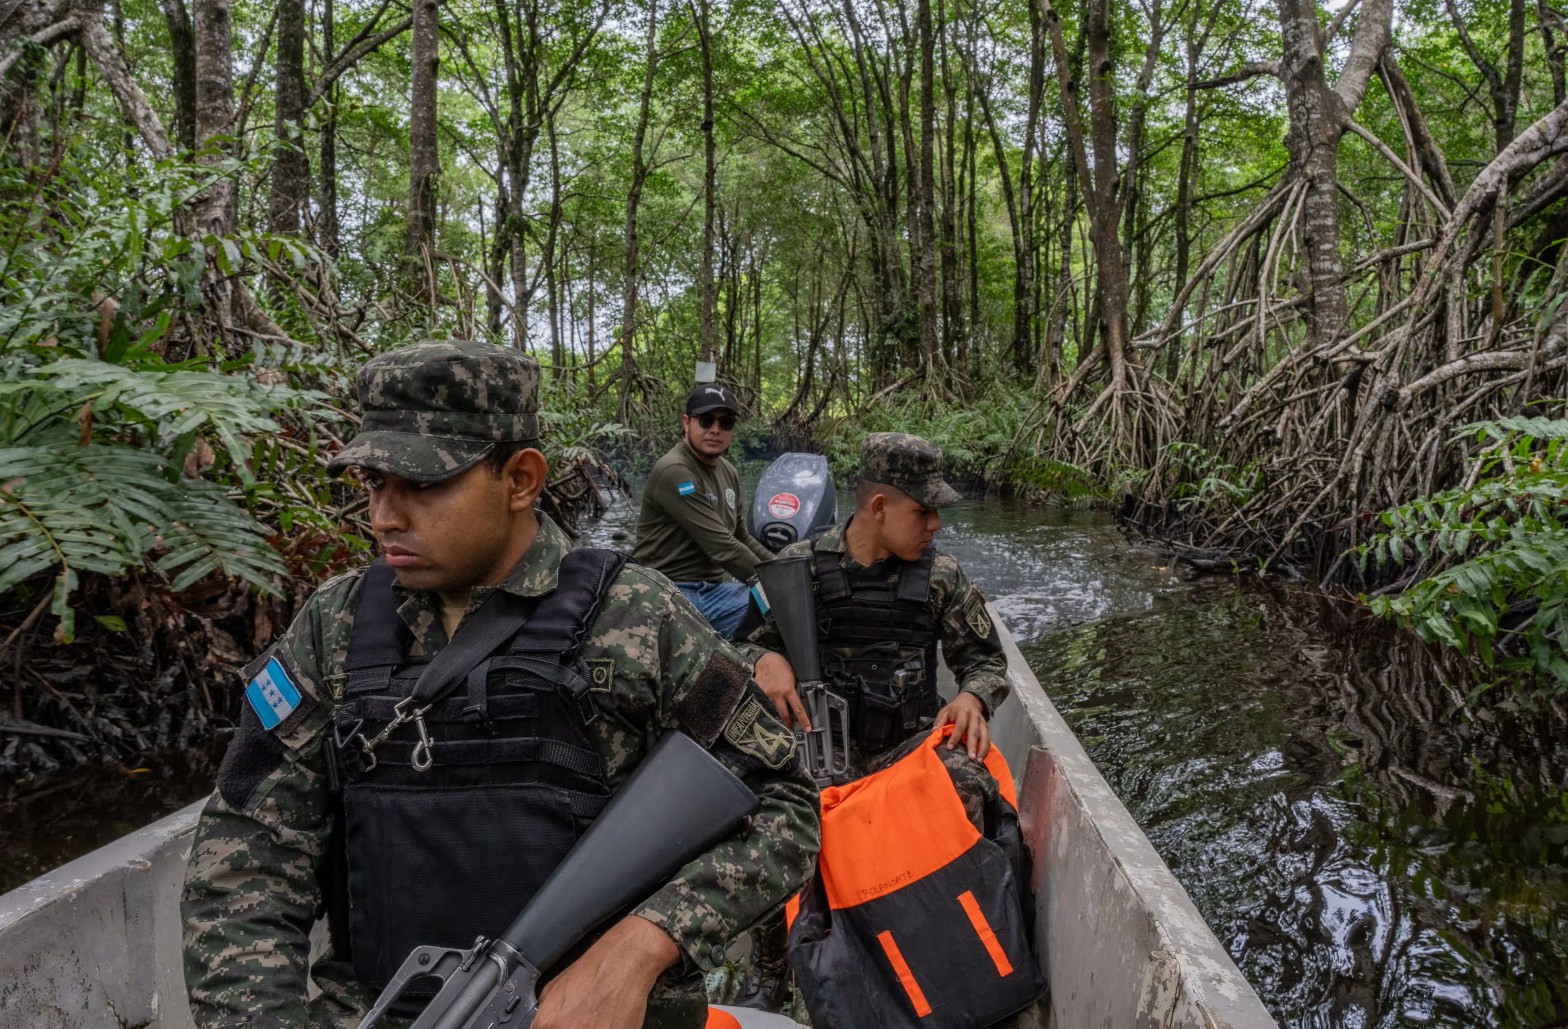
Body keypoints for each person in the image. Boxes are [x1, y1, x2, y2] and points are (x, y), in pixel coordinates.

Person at [181, 340, 820, 1029]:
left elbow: (782, 801)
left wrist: (641, 945)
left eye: (422, 485)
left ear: (520, 478)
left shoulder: (634, 617)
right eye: (374, 483)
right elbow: (243, 858)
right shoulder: (332, 628)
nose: (385, 516)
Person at [731, 431, 1011, 1012]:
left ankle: (949, 946)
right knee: (768, 814)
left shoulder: (941, 578)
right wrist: (764, 658)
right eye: (924, 510)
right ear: (879, 507)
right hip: (815, 755)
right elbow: (728, 653)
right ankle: (770, 972)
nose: (935, 525)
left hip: (902, 752)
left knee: (969, 785)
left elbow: (984, 657)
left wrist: (973, 699)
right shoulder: (795, 571)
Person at [632, 384, 772, 638]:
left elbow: (741, 536)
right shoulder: (675, 470)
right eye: (706, 420)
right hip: (668, 590)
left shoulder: (728, 471)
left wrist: (780, 564)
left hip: (714, 591)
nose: (715, 429)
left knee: (777, 607)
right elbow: (723, 547)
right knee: (776, 603)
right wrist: (780, 583)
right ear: (687, 422)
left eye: (725, 422)